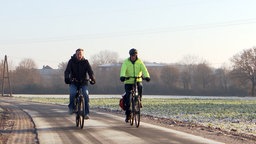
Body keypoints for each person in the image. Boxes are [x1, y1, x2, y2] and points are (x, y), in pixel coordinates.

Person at [120, 48, 150, 122]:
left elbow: (144, 69)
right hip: (128, 81)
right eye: (132, 55)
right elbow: (123, 70)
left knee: (140, 87)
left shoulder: (140, 62)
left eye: (134, 55)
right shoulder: (126, 62)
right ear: (130, 55)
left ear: (136, 55)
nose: (133, 56)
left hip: (137, 80)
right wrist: (122, 76)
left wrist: (147, 76)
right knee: (128, 97)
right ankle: (128, 115)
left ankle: (139, 100)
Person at [64, 48, 96, 119]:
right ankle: (71, 107)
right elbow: (67, 71)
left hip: (83, 82)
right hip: (74, 82)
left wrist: (93, 79)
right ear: (76, 54)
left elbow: (90, 72)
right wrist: (67, 78)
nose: (79, 56)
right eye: (78, 54)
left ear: (82, 55)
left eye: (80, 54)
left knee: (86, 94)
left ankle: (86, 113)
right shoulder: (71, 61)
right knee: (72, 93)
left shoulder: (86, 62)